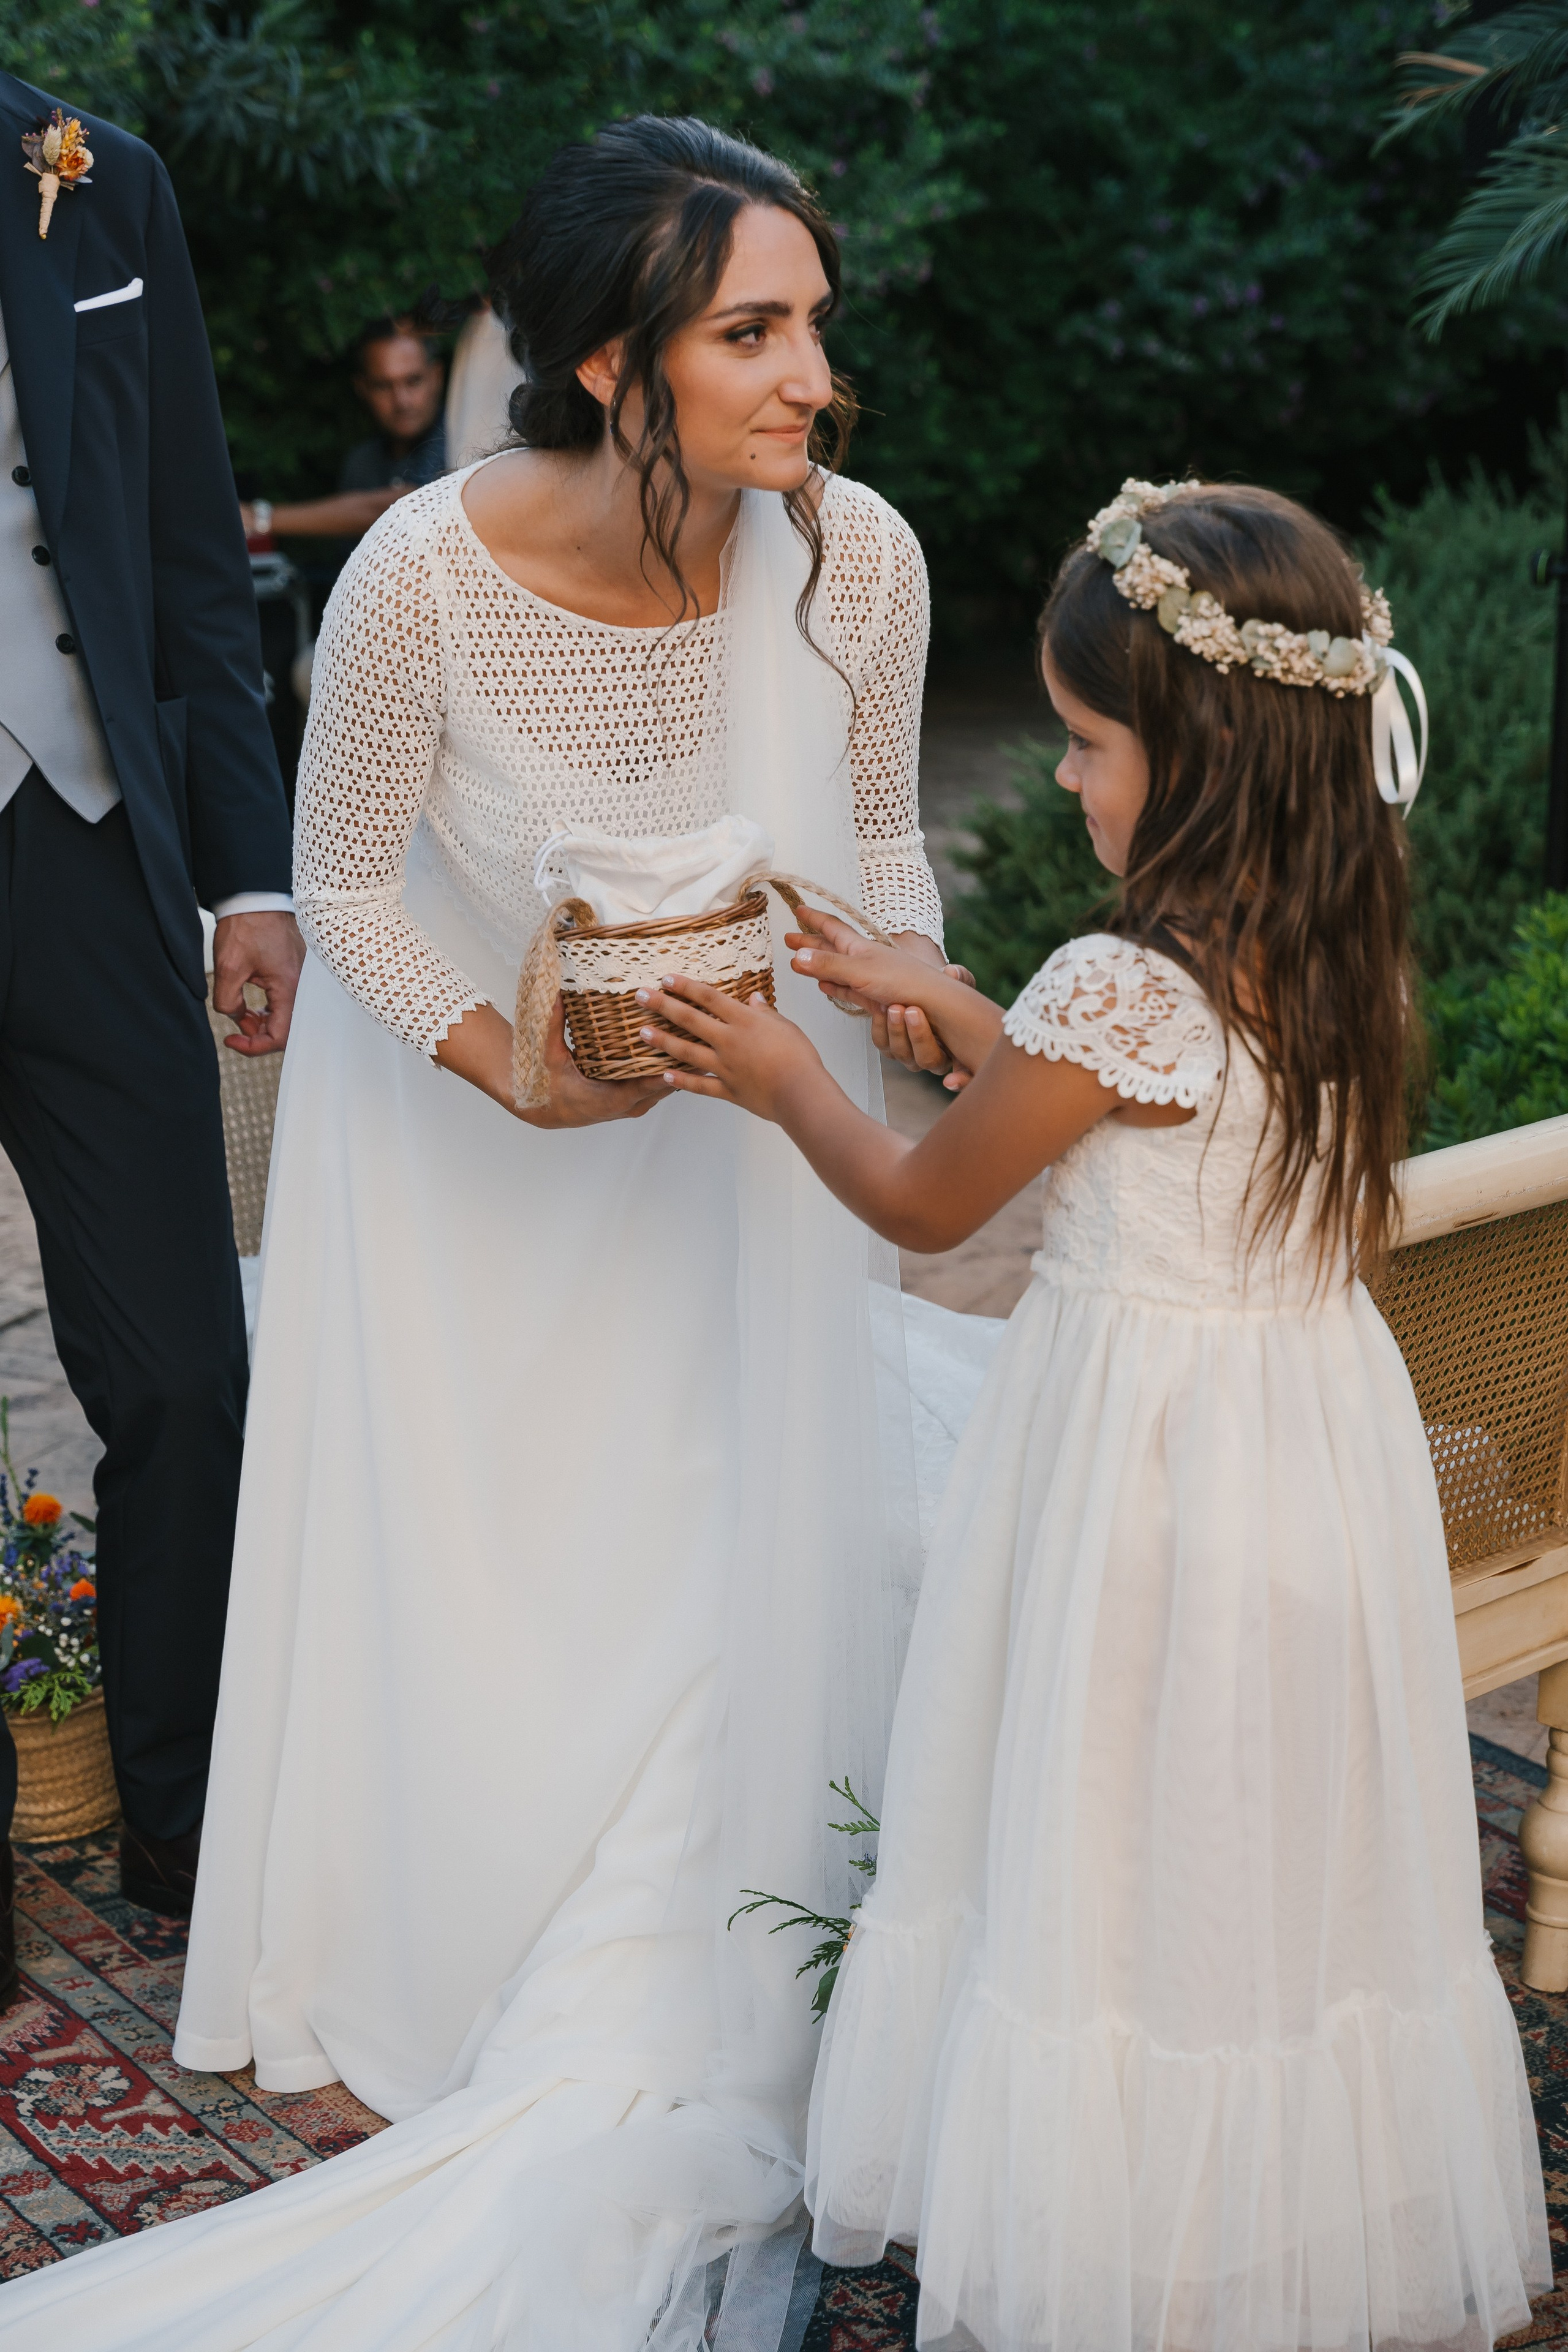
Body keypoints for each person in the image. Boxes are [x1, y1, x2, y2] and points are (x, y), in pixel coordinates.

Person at [0, 117, 953, 2350]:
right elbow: (343, 893)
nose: (814, 373)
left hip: (742, 1157)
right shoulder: (416, 574)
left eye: (813, 321)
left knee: (732, 1550)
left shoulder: (862, 561)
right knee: (484, 1550)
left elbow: (892, 865)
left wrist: (832, 991)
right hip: (460, 1172)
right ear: (614, 368)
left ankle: (652, 1940)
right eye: (755, 330)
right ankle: (412, 1930)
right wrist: (517, 1068)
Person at [639, 481, 1553, 2351]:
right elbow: (1152, 1110)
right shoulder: (1329, 940)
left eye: (1082, 742)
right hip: (1302, 1445)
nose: (1061, 778)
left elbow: (922, 1203)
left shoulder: (1116, 981)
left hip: (1144, 1474)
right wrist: (945, 999)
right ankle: (1267, 2220)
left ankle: (1117, 2248)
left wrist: (772, 1073)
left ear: (1199, 752)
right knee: (1257, 1840)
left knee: (1113, 1836)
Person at [0, 73, 300, 1972]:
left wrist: (248, 871)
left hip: (85, 841)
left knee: (186, 1375)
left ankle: (184, 1838)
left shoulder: (95, 181)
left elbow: (196, 542)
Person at [238, 316, 448, 546]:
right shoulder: (362, 462)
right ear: (362, 388)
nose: (401, 401)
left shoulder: (460, 436)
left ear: (437, 376)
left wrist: (259, 517)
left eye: (413, 381)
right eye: (383, 386)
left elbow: (405, 505)